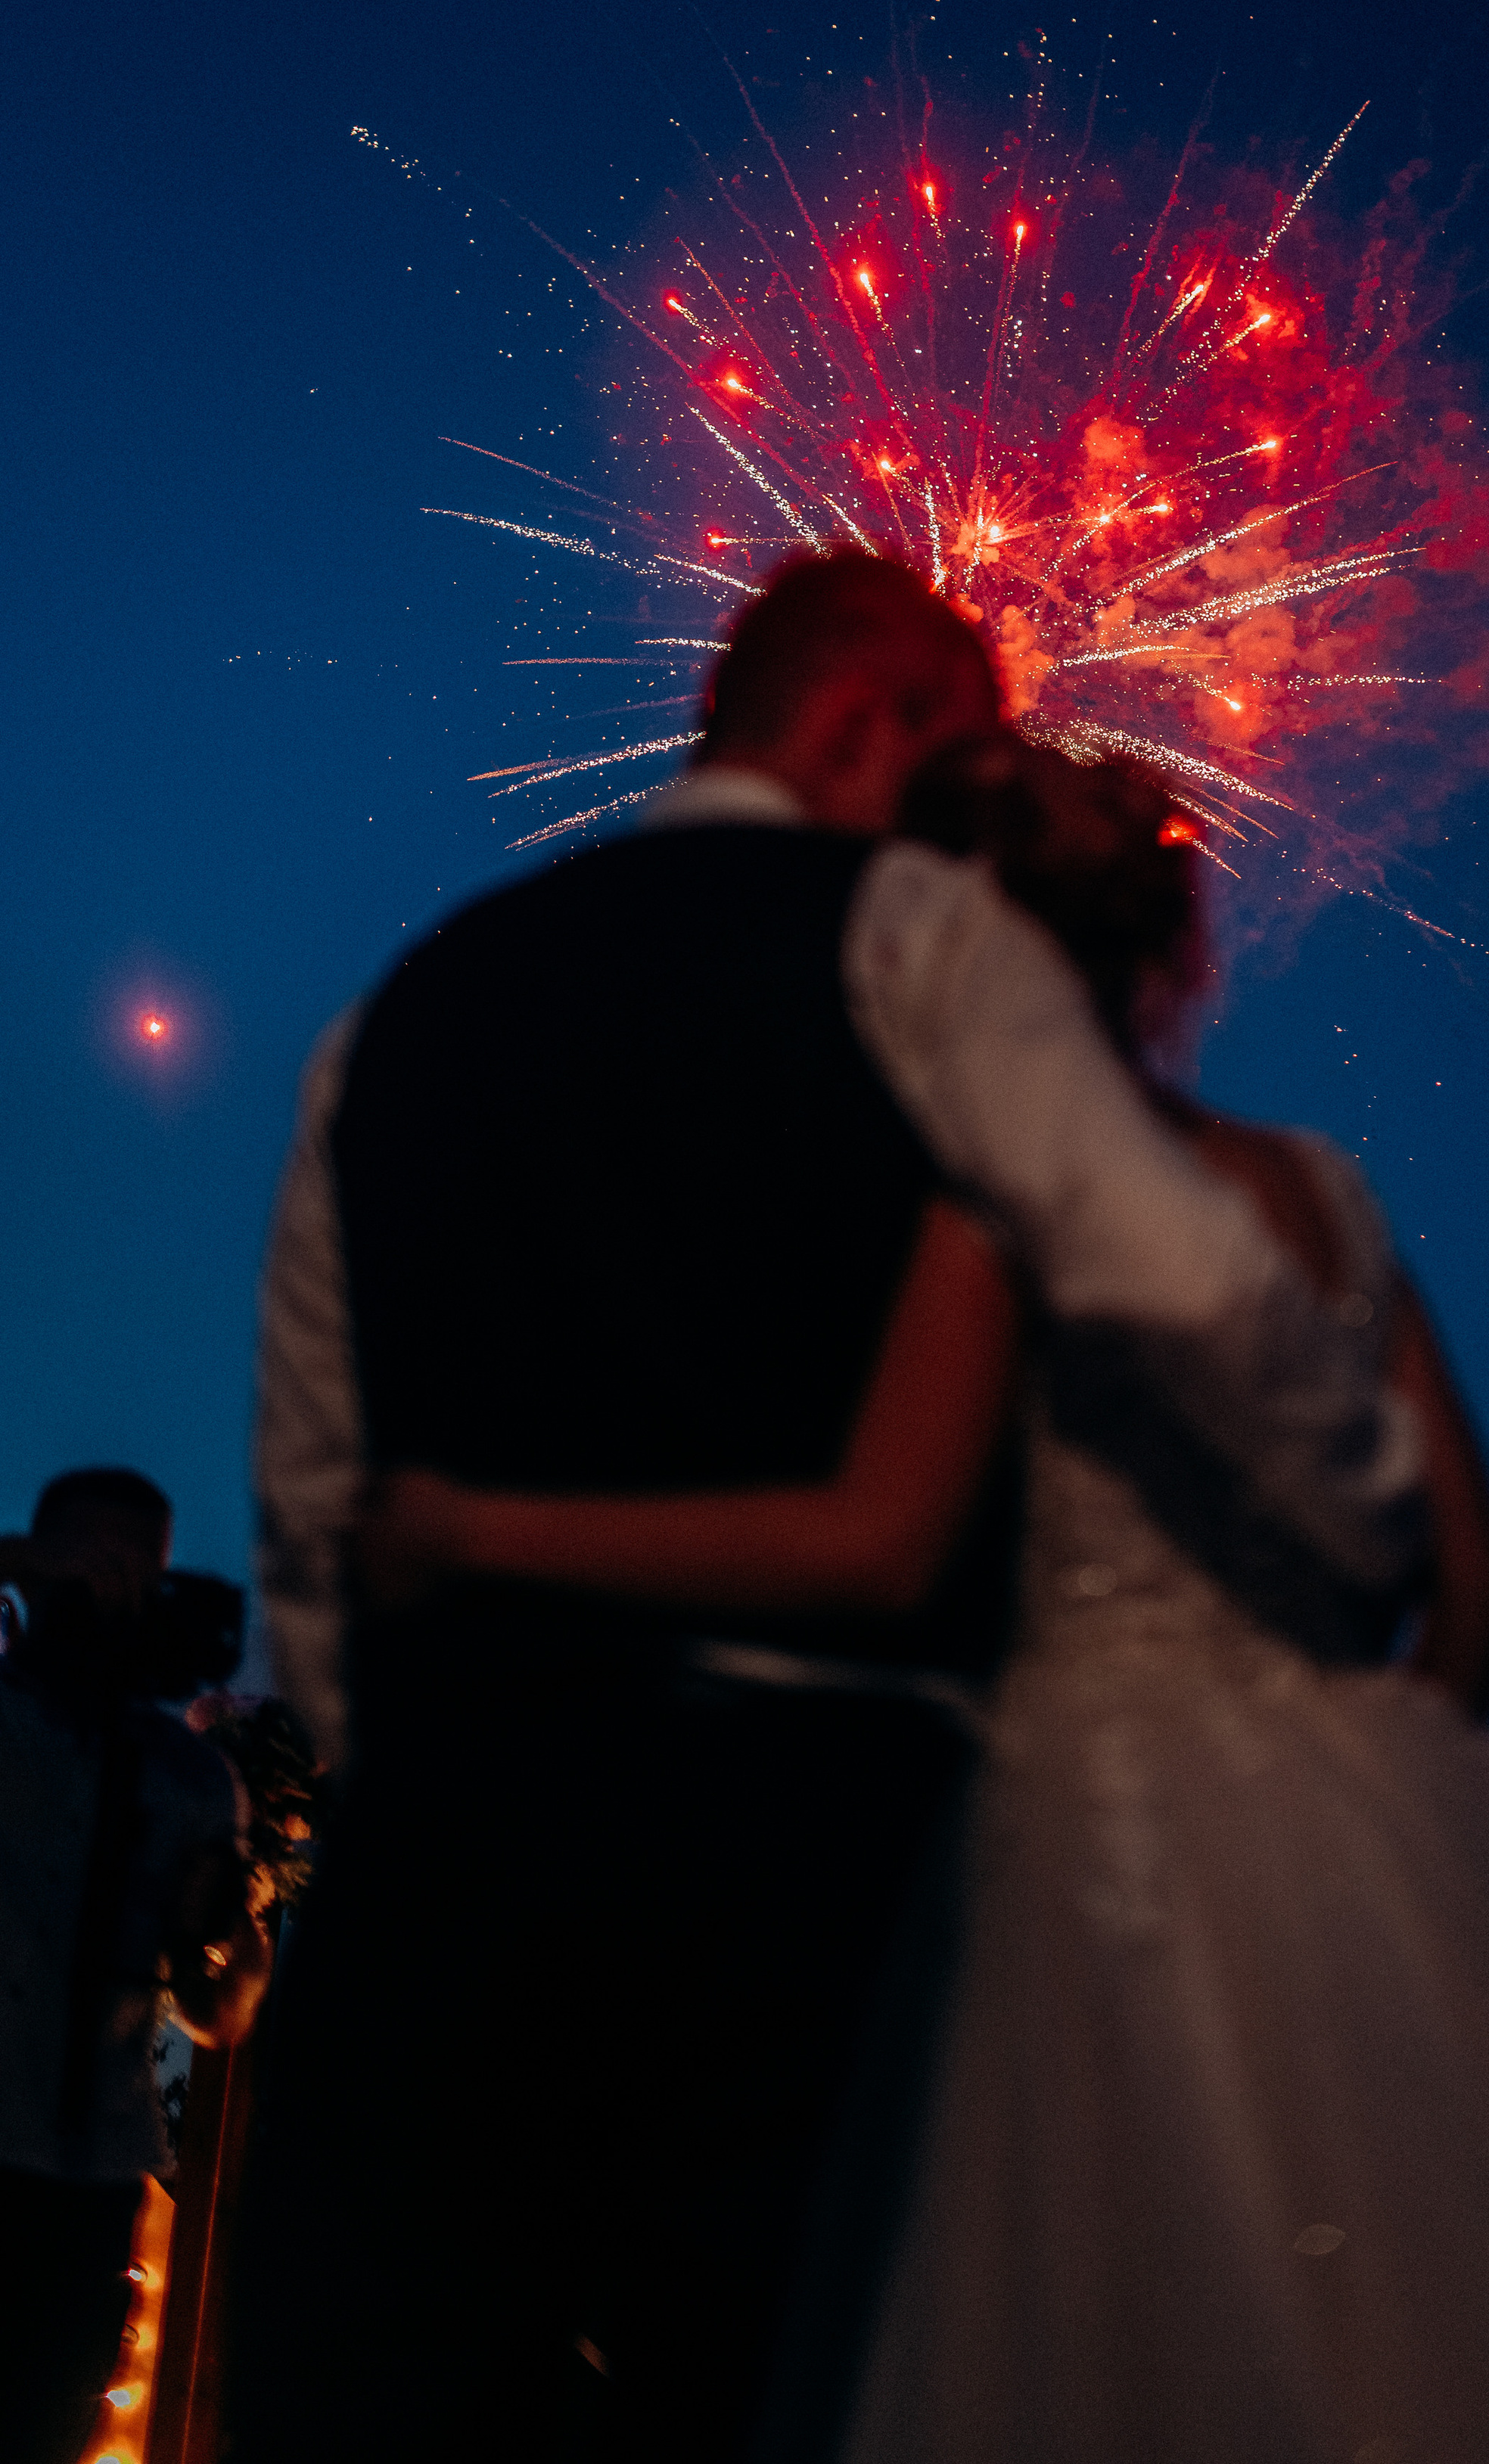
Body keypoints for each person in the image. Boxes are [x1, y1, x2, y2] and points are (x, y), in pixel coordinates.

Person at [368, 742, 1489, 2459]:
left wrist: (482, 1521)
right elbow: (1477, 1595)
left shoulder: (998, 1210)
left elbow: (876, 1548)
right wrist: (1363, 1816)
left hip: (1086, 1855)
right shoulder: (1320, 1193)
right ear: (1164, 951)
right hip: (1372, 1844)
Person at [236, 555, 1351, 2464]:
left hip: (435, 1893)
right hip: (825, 1898)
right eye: (962, 739)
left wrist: (426, 1773)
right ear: (862, 724)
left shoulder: (406, 1008)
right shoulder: (943, 962)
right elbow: (1182, 1345)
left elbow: (318, 1490)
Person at [0, 1470, 269, 2464]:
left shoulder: (193, 1774)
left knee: (46, 2430)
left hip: (93, 2178)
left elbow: (218, 2010)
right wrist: (19, 1564)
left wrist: (230, 1933)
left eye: (139, 1568)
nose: (117, 1589)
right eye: (91, 1560)